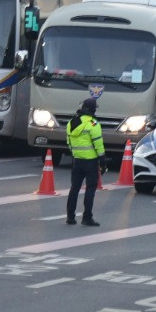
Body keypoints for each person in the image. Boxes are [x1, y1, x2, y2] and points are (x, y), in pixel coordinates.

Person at [66, 97, 104, 226]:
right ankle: (87, 217)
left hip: (76, 160)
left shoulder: (72, 122)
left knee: (74, 188)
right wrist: (103, 160)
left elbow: (69, 142)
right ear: (93, 110)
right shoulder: (93, 124)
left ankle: (70, 217)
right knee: (90, 189)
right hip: (90, 161)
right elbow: (98, 144)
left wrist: (75, 154)